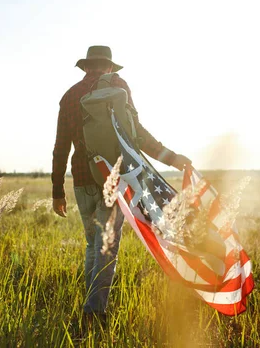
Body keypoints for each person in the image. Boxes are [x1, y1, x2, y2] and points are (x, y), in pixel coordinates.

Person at [51, 45, 191, 323]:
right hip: (113, 177)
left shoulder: (69, 96)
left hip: (81, 177)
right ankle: (94, 311)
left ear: (86, 67)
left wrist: (57, 191)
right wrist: (173, 159)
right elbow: (137, 134)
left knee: (93, 244)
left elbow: (60, 147)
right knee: (107, 247)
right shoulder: (118, 86)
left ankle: (90, 301)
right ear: (110, 67)